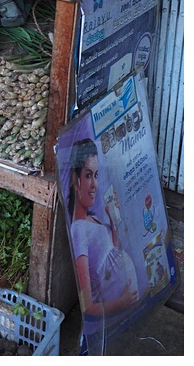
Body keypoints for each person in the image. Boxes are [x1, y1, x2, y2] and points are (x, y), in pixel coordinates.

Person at [67, 138, 138, 334]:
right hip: (114, 315)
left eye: (96, 175)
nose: (95, 185)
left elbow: (112, 252)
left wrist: (113, 219)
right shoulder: (78, 231)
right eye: (88, 175)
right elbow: (87, 306)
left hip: (124, 316)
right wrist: (122, 302)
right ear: (76, 179)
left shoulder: (93, 219)